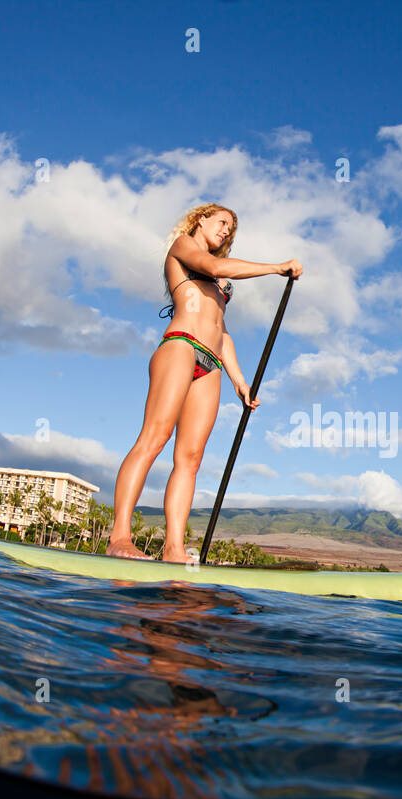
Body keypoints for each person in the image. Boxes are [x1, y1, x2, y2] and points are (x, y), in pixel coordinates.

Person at [106, 203, 303, 562]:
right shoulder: (183, 246)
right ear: (202, 219)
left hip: (210, 362)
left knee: (191, 458)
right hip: (180, 346)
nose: (227, 231)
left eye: (232, 229)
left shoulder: (220, 283)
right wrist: (276, 267)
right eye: (222, 222)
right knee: (154, 438)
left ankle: (174, 549)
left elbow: (221, 331)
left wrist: (240, 382)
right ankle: (119, 537)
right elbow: (213, 266)